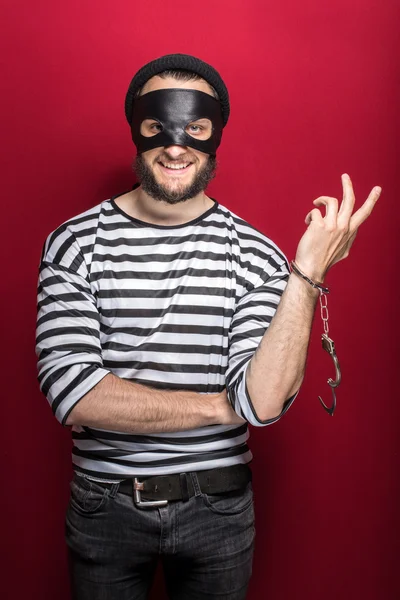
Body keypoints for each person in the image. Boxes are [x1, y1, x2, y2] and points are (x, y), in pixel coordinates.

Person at [35, 53, 381, 600]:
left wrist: (306, 274)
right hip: (105, 508)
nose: (176, 146)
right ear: (137, 130)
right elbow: (73, 393)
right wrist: (221, 405)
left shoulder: (256, 254)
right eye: (158, 126)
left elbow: (262, 401)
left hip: (218, 510)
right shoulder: (75, 244)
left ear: (215, 134)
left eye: (195, 128)